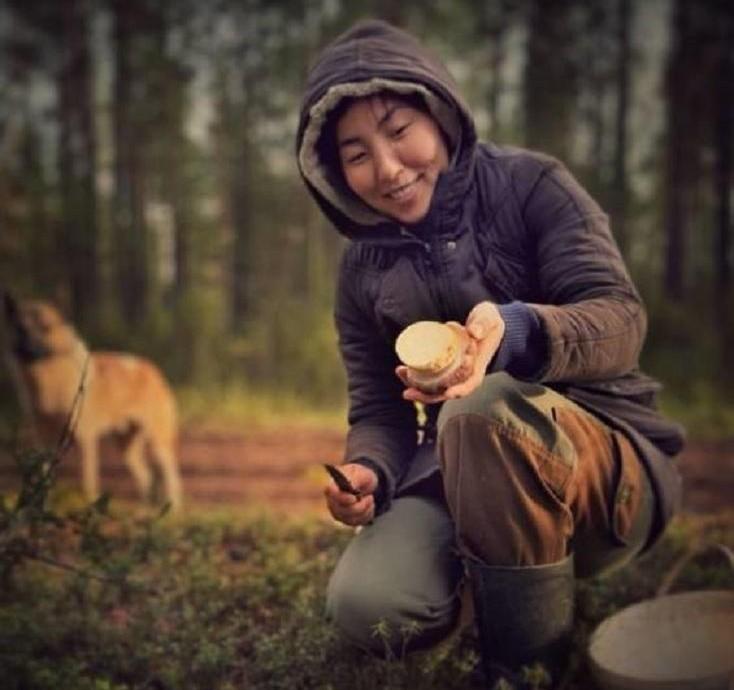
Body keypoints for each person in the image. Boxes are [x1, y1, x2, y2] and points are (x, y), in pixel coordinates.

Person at [295, 18, 685, 689]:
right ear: (335, 172)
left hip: (608, 476)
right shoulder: (361, 271)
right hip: (456, 471)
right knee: (369, 604)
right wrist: (370, 471)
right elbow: (380, 409)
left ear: (439, 113)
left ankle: (523, 668)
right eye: (356, 154)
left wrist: (519, 330)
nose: (387, 169)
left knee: (479, 405)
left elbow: (622, 320)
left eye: (397, 131)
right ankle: (498, 580)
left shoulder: (533, 184)